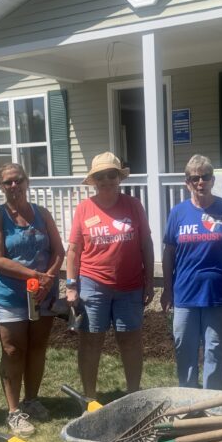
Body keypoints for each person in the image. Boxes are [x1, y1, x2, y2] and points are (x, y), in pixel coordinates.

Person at [0, 163, 65, 437]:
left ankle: (32, 399)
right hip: (10, 294)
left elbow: (58, 251)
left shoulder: (42, 214)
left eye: (18, 180)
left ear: (27, 182)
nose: (14, 186)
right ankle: (14, 411)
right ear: (1, 186)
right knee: (13, 350)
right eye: (8, 182)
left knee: (38, 347)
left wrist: (49, 278)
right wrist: (35, 275)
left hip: (43, 294)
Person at [66, 152, 154, 399]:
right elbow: (73, 250)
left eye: (111, 175)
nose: (106, 180)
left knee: (130, 341)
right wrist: (71, 285)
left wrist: (149, 283)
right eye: (100, 176)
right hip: (93, 284)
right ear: (93, 180)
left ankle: (133, 396)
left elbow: (146, 244)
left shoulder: (133, 205)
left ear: (119, 178)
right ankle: (90, 399)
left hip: (130, 286)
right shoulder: (84, 208)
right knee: (92, 341)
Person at [161, 155, 222, 389]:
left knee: (215, 349)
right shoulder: (178, 213)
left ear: (212, 179)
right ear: (187, 182)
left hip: (219, 294)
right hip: (185, 294)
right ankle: (188, 398)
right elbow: (168, 253)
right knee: (184, 347)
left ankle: (213, 403)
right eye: (194, 178)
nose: (201, 182)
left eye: (205, 177)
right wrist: (167, 289)